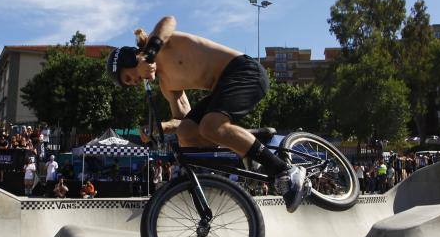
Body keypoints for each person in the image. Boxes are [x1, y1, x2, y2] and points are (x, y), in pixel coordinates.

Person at [106, 16, 310, 212]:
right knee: (187, 134)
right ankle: (251, 139)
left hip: (244, 72)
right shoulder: (166, 85)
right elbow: (184, 121)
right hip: (222, 89)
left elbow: (169, 20)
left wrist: (149, 55)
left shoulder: (159, 45)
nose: (134, 82)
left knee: (211, 126)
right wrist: (162, 127)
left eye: (128, 77)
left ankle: (285, 171)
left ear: (128, 59)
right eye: (129, 83)